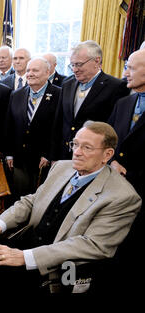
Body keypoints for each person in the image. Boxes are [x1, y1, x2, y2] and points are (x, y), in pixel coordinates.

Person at [0, 121, 141, 294]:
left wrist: (24, 257)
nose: (77, 153)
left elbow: (92, 245)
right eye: (76, 144)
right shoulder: (62, 167)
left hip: (57, 264)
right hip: (29, 239)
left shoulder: (122, 196)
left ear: (107, 154)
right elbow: (32, 201)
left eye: (87, 148)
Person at [51, 40, 130, 161]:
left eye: (79, 64)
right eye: (72, 65)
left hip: (93, 157)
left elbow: (115, 128)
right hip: (65, 155)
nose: (75, 69)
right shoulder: (67, 84)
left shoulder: (116, 87)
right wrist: (54, 156)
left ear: (96, 61)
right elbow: (59, 122)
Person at [107, 49, 145, 288]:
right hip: (115, 193)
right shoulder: (123, 103)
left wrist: (129, 174)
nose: (125, 72)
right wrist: (111, 161)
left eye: (130, 67)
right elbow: (109, 141)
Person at [4, 57, 61, 201]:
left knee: (40, 198)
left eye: (35, 70)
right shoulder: (16, 94)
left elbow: (58, 129)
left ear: (47, 73)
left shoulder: (59, 95)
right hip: (19, 158)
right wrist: (9, 153)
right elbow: (9, 125)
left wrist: (50, 154)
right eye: (28, 70)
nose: (30, 73)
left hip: (43, 160)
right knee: (19, 197)